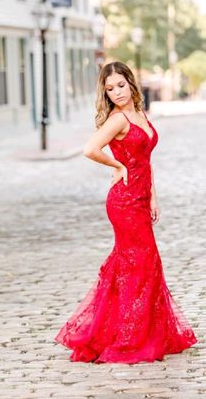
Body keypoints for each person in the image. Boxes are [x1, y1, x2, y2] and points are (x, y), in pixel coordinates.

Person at [54, 61, 198, 364]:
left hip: (141, 197)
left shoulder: (140, 114)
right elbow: (90, 148)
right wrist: (118, 166)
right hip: (123, 200)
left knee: (137, 264)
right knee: (142, 263)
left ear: (131, 84)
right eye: (110, 89)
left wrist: (153, 198)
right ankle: (129, 338)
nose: (117, 93)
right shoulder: (118, 120)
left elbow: (146, 160)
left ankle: (136, 331)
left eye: (120, 85)